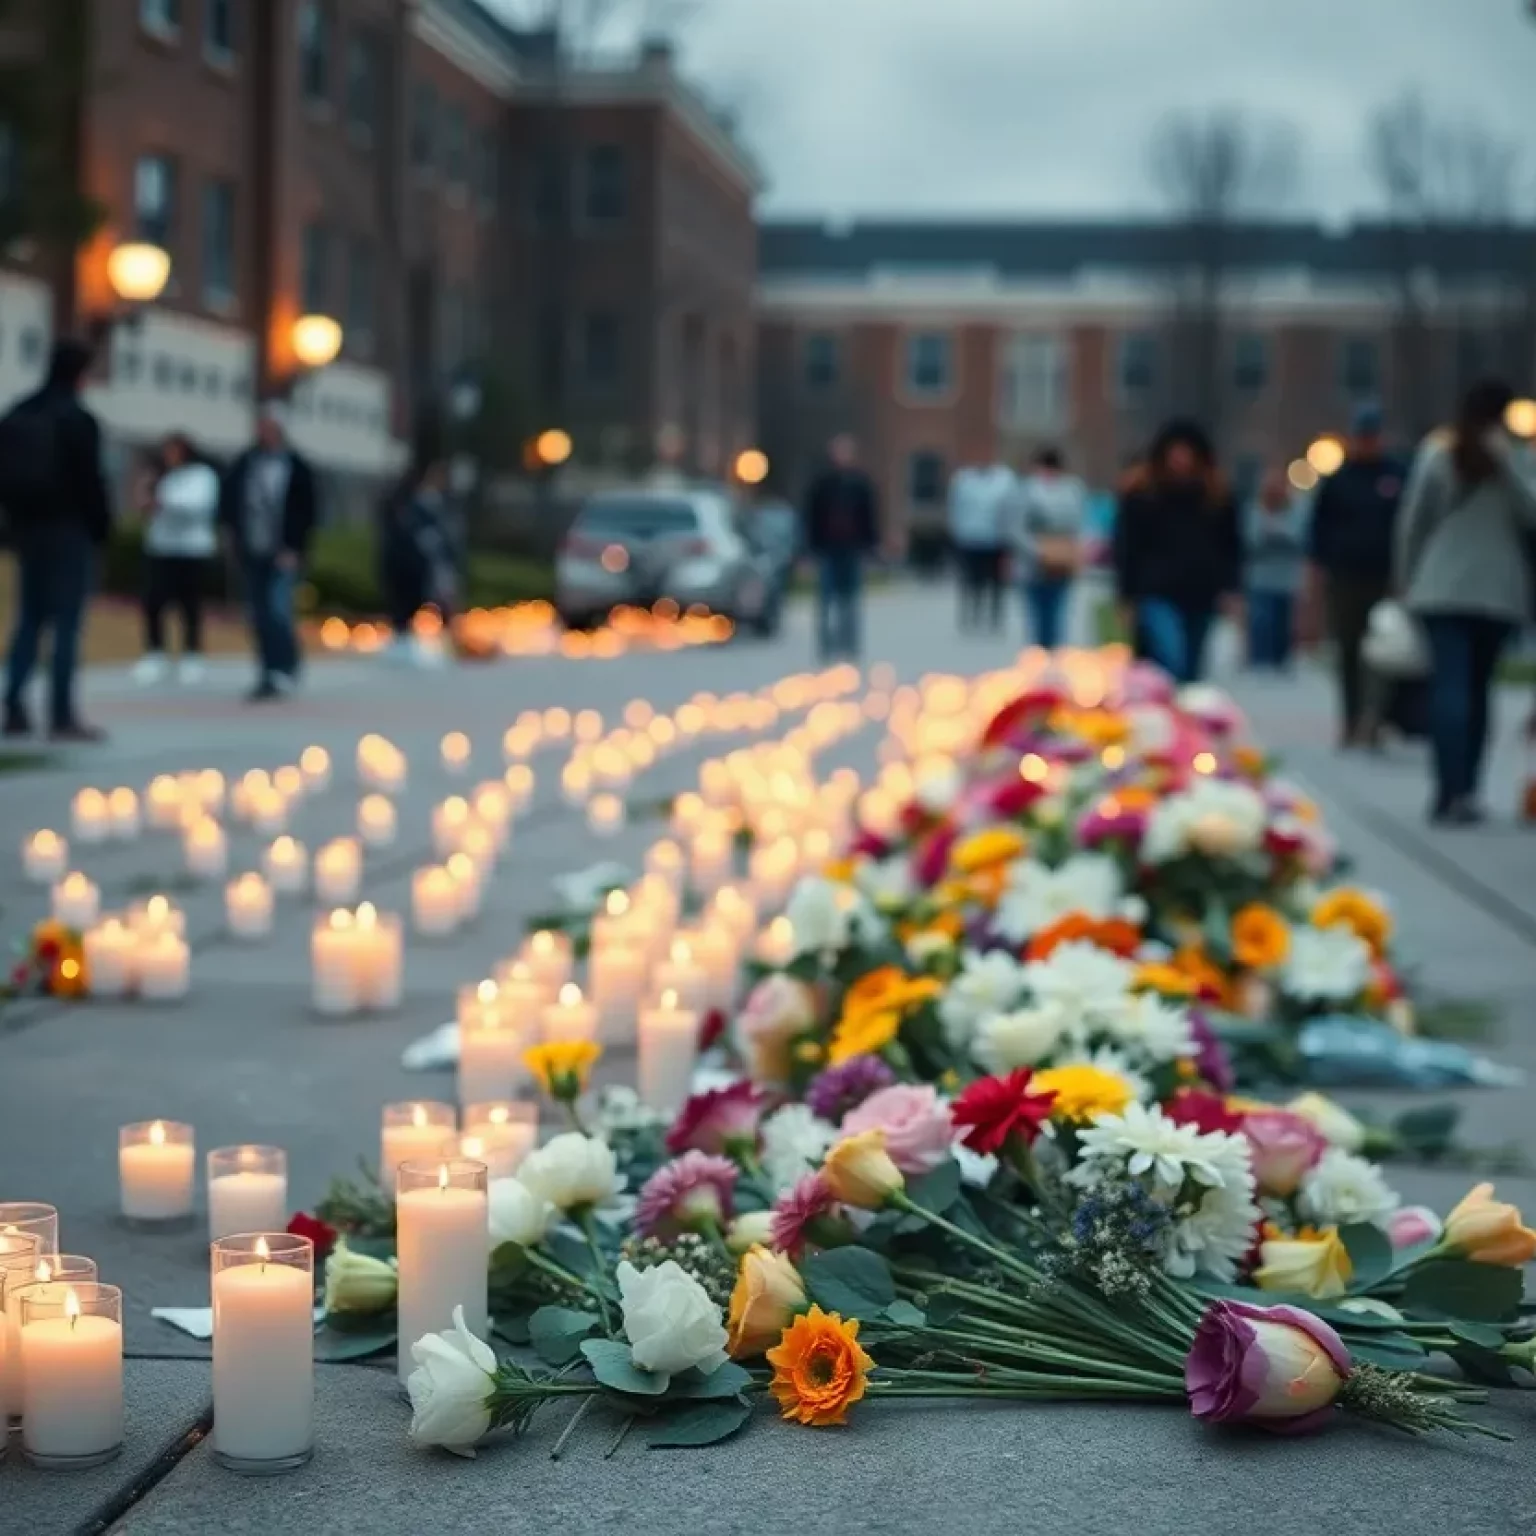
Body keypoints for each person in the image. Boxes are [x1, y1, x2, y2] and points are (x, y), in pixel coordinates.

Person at [1395, 378, 1536, 825]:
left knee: (1455, 689)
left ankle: (1451, 789)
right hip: (1482, 593)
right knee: (1470, 690)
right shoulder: (1466, 457)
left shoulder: (1453, 456)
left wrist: (1406, 580)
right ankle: (1463, 789)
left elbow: (1412, 522)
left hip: (1451, 588)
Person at [0, 338, 111, 741]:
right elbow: (91, 484)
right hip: (69, 530)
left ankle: (14, 706)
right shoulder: (77, 420)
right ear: (80, 375)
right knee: (66, 623)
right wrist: (101, 529)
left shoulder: (19, 412)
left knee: (28, 619)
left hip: (28, 530)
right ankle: (61, 715)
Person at [1302, 404, 1405, 747]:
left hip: (1385, 578)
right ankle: (1350, 720)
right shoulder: (1339, 479)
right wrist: (1315, 583)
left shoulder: (1396, 476)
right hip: (1344, 577)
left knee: (1385, 655)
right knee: (1348, 651)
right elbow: (1318, 532)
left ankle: (1377, 719)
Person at [1112, 419, 1243, 684]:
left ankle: (1181, 717)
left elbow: (1232, 546)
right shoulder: (1142, 495)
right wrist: (1126, 596)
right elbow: (1127, 548)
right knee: (1171, 658)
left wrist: (1232, 587)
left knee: (1192, 667)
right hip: (1156, 590)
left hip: (1201, 591)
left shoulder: (1216, 498)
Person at [220, 402, 317, 702]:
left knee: (278, 610)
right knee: (257, 613)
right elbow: (229, 501)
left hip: (283, 551)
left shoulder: (296, 467)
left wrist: (295, 547)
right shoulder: (245, 463)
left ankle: (285, 666)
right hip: (252, 548)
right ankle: (267, 671)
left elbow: (307, 511)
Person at [133, 433, 220, 686]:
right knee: (154, 603)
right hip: (161, 548)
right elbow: (144, 506)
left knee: (189, 605)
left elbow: (197, 506)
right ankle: (155, 653)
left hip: (192, 550)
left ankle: (192, 655)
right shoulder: (162, 476)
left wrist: (163, 502)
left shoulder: (201, 475)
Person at [802, 433, 879, 663]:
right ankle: (827, 644)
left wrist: (870, 548)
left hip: (852, 549)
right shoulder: (821, 484)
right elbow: (811, 517)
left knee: (850, 599)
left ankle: (849, 643)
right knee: (826, 599)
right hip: (827, 549)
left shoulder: (861, 484)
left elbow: (869, 518)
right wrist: (809, 550)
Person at [1003, 446, 1085, 650]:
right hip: (1034, 564)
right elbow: (1015, 528)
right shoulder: (1026, 491)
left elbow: (1078, 525)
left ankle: (1053, 655)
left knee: (1057, 615)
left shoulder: (1072, 491)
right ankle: (1040, 654)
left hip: (1061, 563)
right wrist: (1038, 552)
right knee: (1037, 616)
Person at [380, 449, 457, 665]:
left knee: (441, 603)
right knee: (408, 602)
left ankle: (444, 645)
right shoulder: (411, 502)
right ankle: (402, 642)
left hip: (436, 563)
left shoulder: (444, 503)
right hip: (413, 563)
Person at [1243, 467, 1310, 671]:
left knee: (1283, 624)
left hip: (1287, 578)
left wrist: (1273, 532)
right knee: (1261, 622)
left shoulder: (1296, 508)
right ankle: (1260, 662)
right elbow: (1252, 538)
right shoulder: (1255, 509)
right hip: (1259, 577)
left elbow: (1298, 537)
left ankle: (1281, 661)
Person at [946, 458, 1014, 633]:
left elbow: (1010, 508)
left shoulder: (1004, 479)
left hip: (997, 539)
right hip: (970, 539)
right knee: (970, 581)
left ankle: (994, 617)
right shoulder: (963, 480)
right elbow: (955, 507)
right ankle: (971, 615)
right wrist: (956, 532)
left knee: (996, 582)